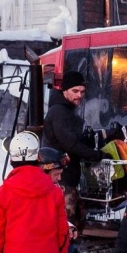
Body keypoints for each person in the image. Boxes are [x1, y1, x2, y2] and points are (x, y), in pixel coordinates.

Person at [42, 70, 102, 226]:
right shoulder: (60, 112)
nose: (79, 95)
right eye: (75, 91)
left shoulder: (67, 110)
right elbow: (70, 143)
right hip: (63, 178)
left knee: (77, 219)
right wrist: (96, 155)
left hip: (67, 177)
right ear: (64, 91)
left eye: (82, 91)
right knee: (68, 223)